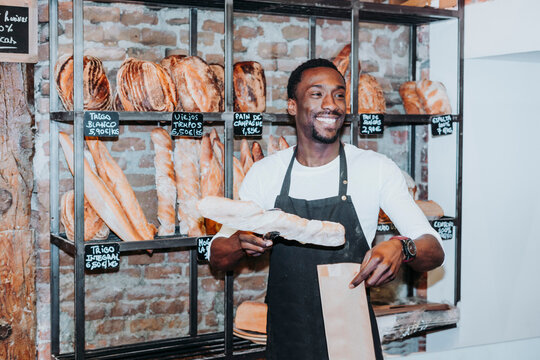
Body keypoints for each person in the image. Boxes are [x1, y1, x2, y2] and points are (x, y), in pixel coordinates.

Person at [209, 58, 445, 359]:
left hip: (352, 336)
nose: (331, 104)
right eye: (317, 94)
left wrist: (403, 248)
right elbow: (218, 255)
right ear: (292, 106)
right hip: (286, 336)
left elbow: (434, 250)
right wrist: (240, 242)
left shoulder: (374, 169)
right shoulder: (266, 173)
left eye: (339, 94)